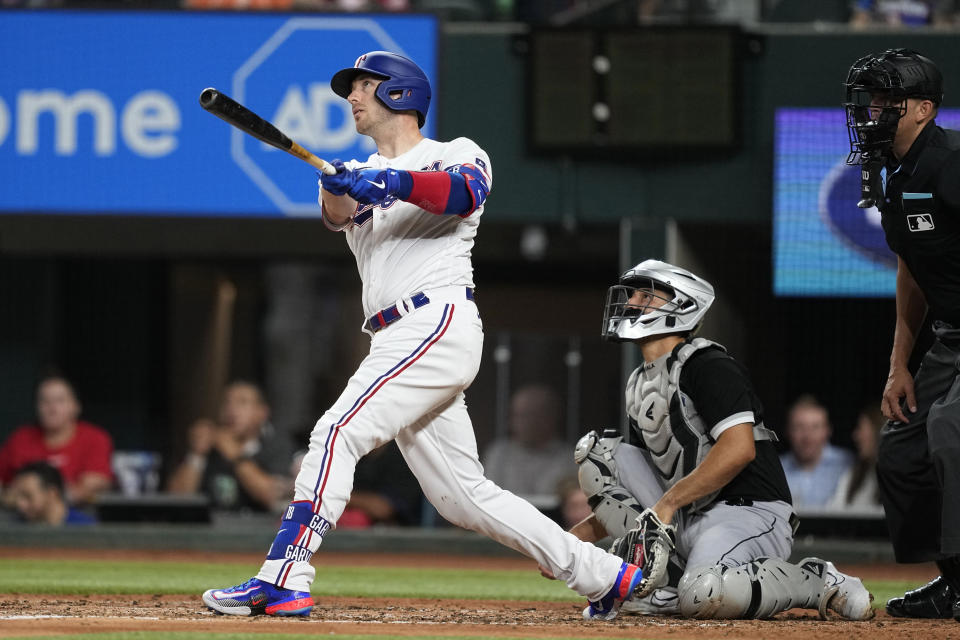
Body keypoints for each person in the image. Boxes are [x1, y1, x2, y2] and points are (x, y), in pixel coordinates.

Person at [201, 50, 645, 621]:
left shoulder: (455, 154)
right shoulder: (356, 175)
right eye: (352, 88)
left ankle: (286, 574)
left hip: (436, 321)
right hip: (393, 337)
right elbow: (337, 213)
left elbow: (459, 194)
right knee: (463, 497)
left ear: (401, 94)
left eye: (363, 85)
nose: (352, 97)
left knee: (336, 431)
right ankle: (605, 575)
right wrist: (340, 182)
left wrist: (384, 178)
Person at [566, 260, 874, 620]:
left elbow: (739, 449)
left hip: (751, 511)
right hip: (687, 515)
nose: (632, 302)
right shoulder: (639, 383)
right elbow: (627, 496)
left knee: (703, 594)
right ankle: (670, 584)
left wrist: (667, 505)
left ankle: (817, 580)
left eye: (645, 294)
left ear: (680, 304)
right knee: (598, 454)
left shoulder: (707, 364)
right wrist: (573, 541)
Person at [844, 48, 960, 622]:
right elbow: (910, 268)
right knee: (902, 446)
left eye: (890, 100)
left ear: (924, 110)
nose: (874, 110)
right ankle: (954, 581)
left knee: (949, 429)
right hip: (951, 336)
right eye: (871, 99)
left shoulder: (952, 162)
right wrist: (899, 364)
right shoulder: (893, 172)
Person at [168, 381, 291, 513]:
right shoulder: (210, 449)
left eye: (242, 402)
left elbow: (273, 498)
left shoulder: (277, 448)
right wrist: (196, 454)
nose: (231, 409)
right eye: (226, 402)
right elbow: (175, 502)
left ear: (262, 413)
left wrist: (234, 453)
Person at [0, 375, 113, 505]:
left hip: (76, 516)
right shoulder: (20, 439)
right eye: (45, 401)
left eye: (60, 401)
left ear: (76, 406)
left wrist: (29, 495)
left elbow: (92, 485)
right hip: (20, 518)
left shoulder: (94, 438)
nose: (52, 409)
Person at [482, 384, 574, 500]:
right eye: (515, 415)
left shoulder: (569, 459)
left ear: (548, 417)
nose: (516, 422)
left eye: (526, 415)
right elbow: (488, 498)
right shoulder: (498, 454)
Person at [778, 395, 854, 509]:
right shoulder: (777, 469)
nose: (807, 436)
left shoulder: (848, 465)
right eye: (799, 427)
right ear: (788, 431)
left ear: (828, 431)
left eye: (815, 427)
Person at [826, 404, 884, 513]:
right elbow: (834, 511)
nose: (855, 436)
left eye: (860, 429)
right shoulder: (853, 474)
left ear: (877, 433)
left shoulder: (895, 476)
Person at [8, 461, 96, 525]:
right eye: (17, 497)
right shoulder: (15, 527)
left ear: (52, 493)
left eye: (28, 496)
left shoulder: (84, 527)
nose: (20, 504)